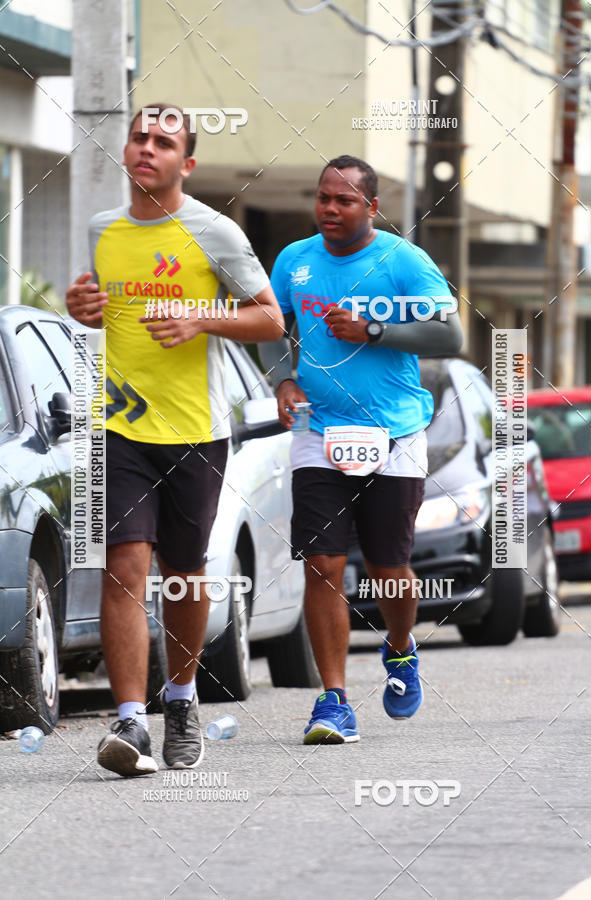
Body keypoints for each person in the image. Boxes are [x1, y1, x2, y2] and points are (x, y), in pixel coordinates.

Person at [66, 103, 283, 776]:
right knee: (123, 566)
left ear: (185, 163)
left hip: (194, 430)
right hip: (118, 425)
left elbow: (270, 319)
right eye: (139, 138)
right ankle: (131, 721)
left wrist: (201, 318)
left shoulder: (214, 232)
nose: (146, 149)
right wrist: (81, 309)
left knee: (184, 578)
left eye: (162, 142)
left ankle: (182, 699)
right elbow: (102, 312)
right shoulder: (104, 229)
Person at [260, 155, 462, 744]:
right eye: (323, 197)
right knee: (322, 564)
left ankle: (399, 648)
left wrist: (375, 330)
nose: (330, 209)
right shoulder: (294, 260)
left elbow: (450, 334)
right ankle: (334, 701)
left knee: (387, 567)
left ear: (371, 207)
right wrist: (283, 380)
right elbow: (271, 328)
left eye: (344, 200)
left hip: (394, 432)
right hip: (317, 430)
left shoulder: (403, 261)